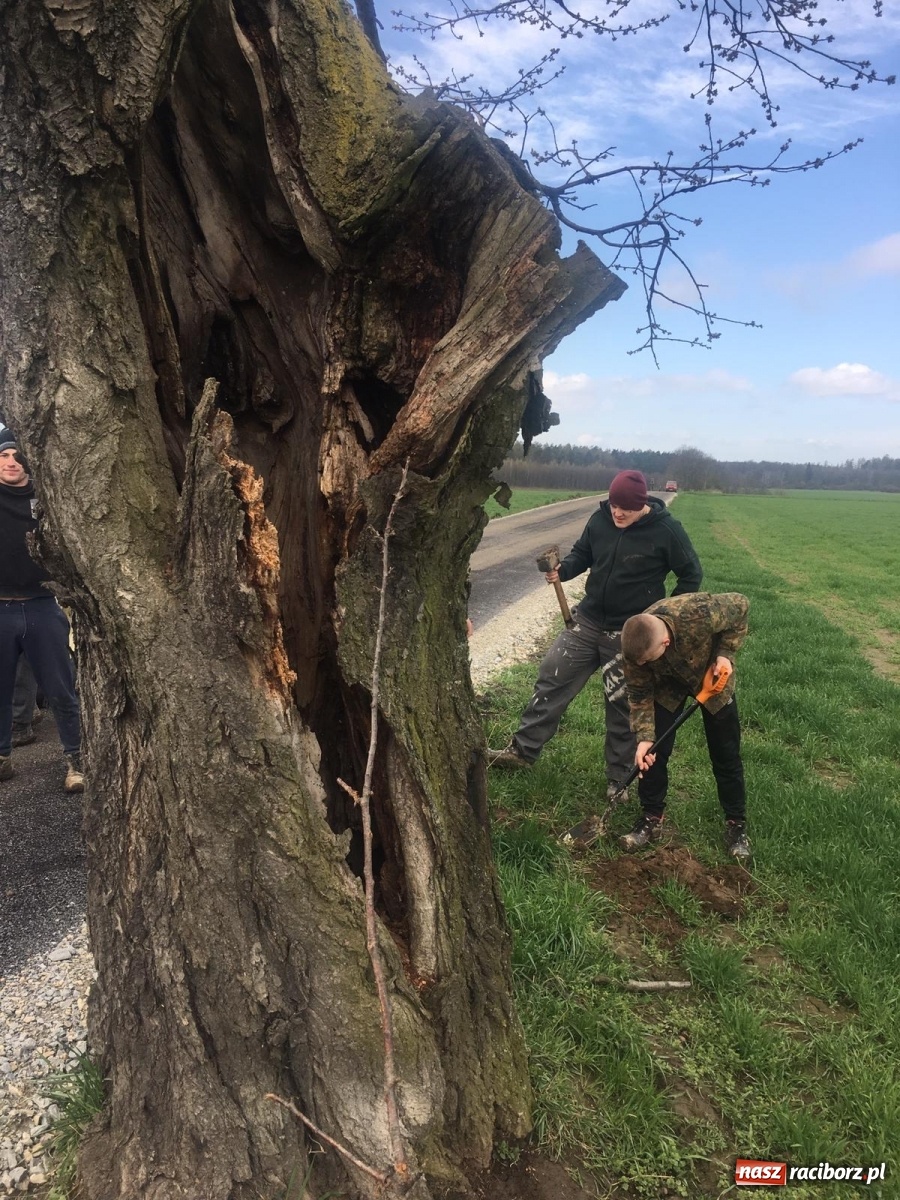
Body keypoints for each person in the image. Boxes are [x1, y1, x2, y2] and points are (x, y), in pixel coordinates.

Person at [489, 470, 702, 799]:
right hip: (586, 621)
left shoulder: (666, 530)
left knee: (622, 701)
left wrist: (662, 617)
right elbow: (582, 554)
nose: (617, 513)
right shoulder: (600, 520)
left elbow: (692, 573)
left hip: (628, 632)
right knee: (551, 676)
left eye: (625, 509)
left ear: (642, 505)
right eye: (614, 505)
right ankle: (522, 750)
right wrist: (565, 569)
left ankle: (620, 777)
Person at [618, 592, 750, 859]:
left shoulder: (698, 613)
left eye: (646, 660)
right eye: (638, 661)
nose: (641, 664)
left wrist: (725, 654)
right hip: (668, 687)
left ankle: (736, 824)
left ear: (665, 642)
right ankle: (651, 816)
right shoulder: (635, 650)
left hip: (712, 679)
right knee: (653, 753)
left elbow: (741, 605)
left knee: (725, 753)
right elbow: (640, 694)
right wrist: (644, 738)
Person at [0, 433, 84, 792]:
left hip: (42, 607)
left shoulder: (47, 499)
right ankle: (2, 758)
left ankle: (76, 761)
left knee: (62, 689)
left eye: (19, 455)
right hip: (0, 609)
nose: (12, 462)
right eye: (4, 454)